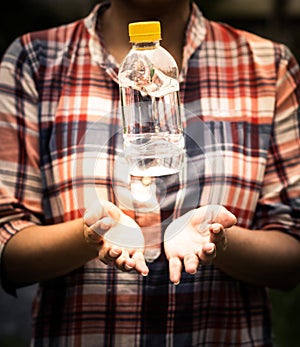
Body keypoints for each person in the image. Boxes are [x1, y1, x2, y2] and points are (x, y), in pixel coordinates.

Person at [0, 0, 299, 346]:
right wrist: (88, 235)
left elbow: (290, 255)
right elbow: (9, 248)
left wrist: (221, 239)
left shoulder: (268, 65)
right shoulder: (33, 60)